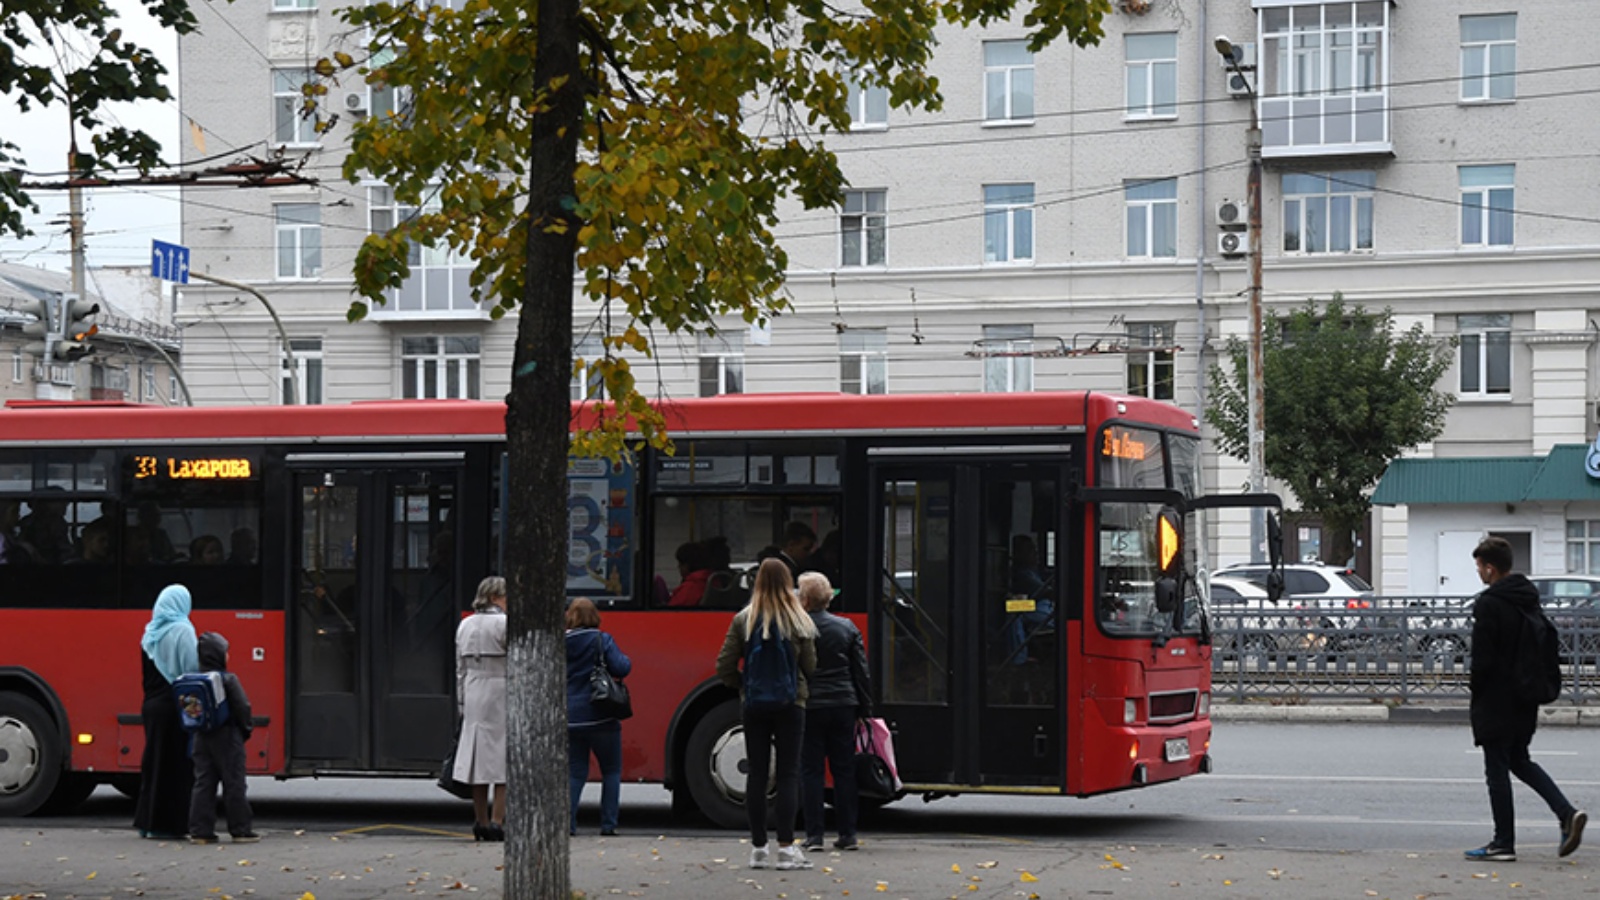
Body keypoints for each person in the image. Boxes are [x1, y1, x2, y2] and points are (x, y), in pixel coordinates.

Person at [1464, 536, 1586, 862]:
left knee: (1497, 771)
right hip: (1525, 695)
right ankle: (1565, 813)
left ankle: (1503, 842)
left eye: (1479, 567)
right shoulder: (1527, 599)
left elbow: (1483, 659)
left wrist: (1476, 692)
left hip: (1496, 698)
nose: (1478, 572)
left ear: (1490, 568)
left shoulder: (1489, 603)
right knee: (1519, 759)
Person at [715, 558, 818, 871]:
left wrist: (744, 686)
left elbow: (724, 666)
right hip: (791, 704)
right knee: (788, 775)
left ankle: (758, 849)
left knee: (757, 774)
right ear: (789, 583)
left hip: (755, 705)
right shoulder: (799, 620)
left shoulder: (744, 619)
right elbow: (811, 667)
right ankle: (786, 849)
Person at [798, 571, 871, 853]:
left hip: (810, 705)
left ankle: (814, 836)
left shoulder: (797, 628)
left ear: (804, 599)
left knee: (811, 770)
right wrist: (865, 708)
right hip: (844, 704)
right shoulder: (847, 627)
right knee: (844, 770)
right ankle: (848, 834)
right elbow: (860, 673)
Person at [134, 584, 198, 840]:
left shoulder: (150, 633)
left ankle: (147, 823)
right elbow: (192, 670)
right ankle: (169, 825)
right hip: (174, 708)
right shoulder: (182, 630)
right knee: (177, 767)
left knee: (154, 764)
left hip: (151, 707)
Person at [565, 597, 632, 835]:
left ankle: (569, 824)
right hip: (601, 715)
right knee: (611, 770)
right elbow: (622, 667)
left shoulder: (562, 642)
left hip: (571, 717)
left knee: (576, 771)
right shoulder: (601, 640)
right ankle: (608, 824)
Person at [187, 631, 257, 844]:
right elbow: (242, 706)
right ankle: (240, 830)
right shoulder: (228, 679)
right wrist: (245, 730)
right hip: (227, 735)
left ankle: (200, 831)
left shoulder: (194, 679)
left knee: (204, 782)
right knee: (234, 782)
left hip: (201, 736)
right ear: (219, 655)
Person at [453, 576, 508, 842]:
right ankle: (498, 821)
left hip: (474, 690)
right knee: (501, 760)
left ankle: (480, 821)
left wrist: (462, 702)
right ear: (496, 597)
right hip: (500, 689)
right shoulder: (504, 624)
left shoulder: (465, 624)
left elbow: (459, 670)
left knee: (477, 761)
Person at [667, 540, 713, 608]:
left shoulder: (690, 588)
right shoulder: (712, 581)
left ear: (687, 565)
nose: (678, 567)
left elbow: (671, 612)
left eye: (681, 564)